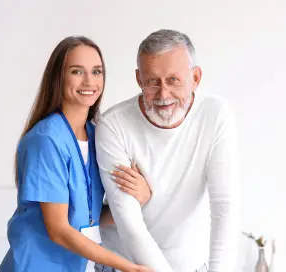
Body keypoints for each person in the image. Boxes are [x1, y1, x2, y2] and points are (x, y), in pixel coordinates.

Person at [0, 35, 154, 272]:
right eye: (77, 71)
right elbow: (59, 229)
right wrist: (129, 267)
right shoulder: (46, 140)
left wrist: (137, 199)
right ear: (58, 77)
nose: (89, 81)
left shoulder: (97, 135)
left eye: (97, 71)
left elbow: (84, 219)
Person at [95, 29, 241, 272]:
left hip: (192, 264)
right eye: (152, 81)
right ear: (139, 79)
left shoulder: (216, 115)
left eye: (174, 80)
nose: (163, 94)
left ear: (195, 78)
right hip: (126, 266)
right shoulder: (114, 125)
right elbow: (129, 222)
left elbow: (225, 206)